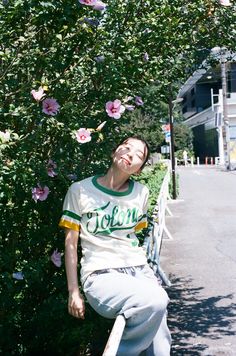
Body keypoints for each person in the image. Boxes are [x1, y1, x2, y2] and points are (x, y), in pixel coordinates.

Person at [59, 136, 171, 356]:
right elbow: (70, 243)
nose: (130, 154)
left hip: (139, 269)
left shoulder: (141, 193)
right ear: (114, 153)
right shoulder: (79, 190)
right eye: (126, 147)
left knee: (159, 330)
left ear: (139, 170)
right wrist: (73, 291)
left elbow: (134, 233)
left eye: (138, 154)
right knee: (157, 299)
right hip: (100, 273)